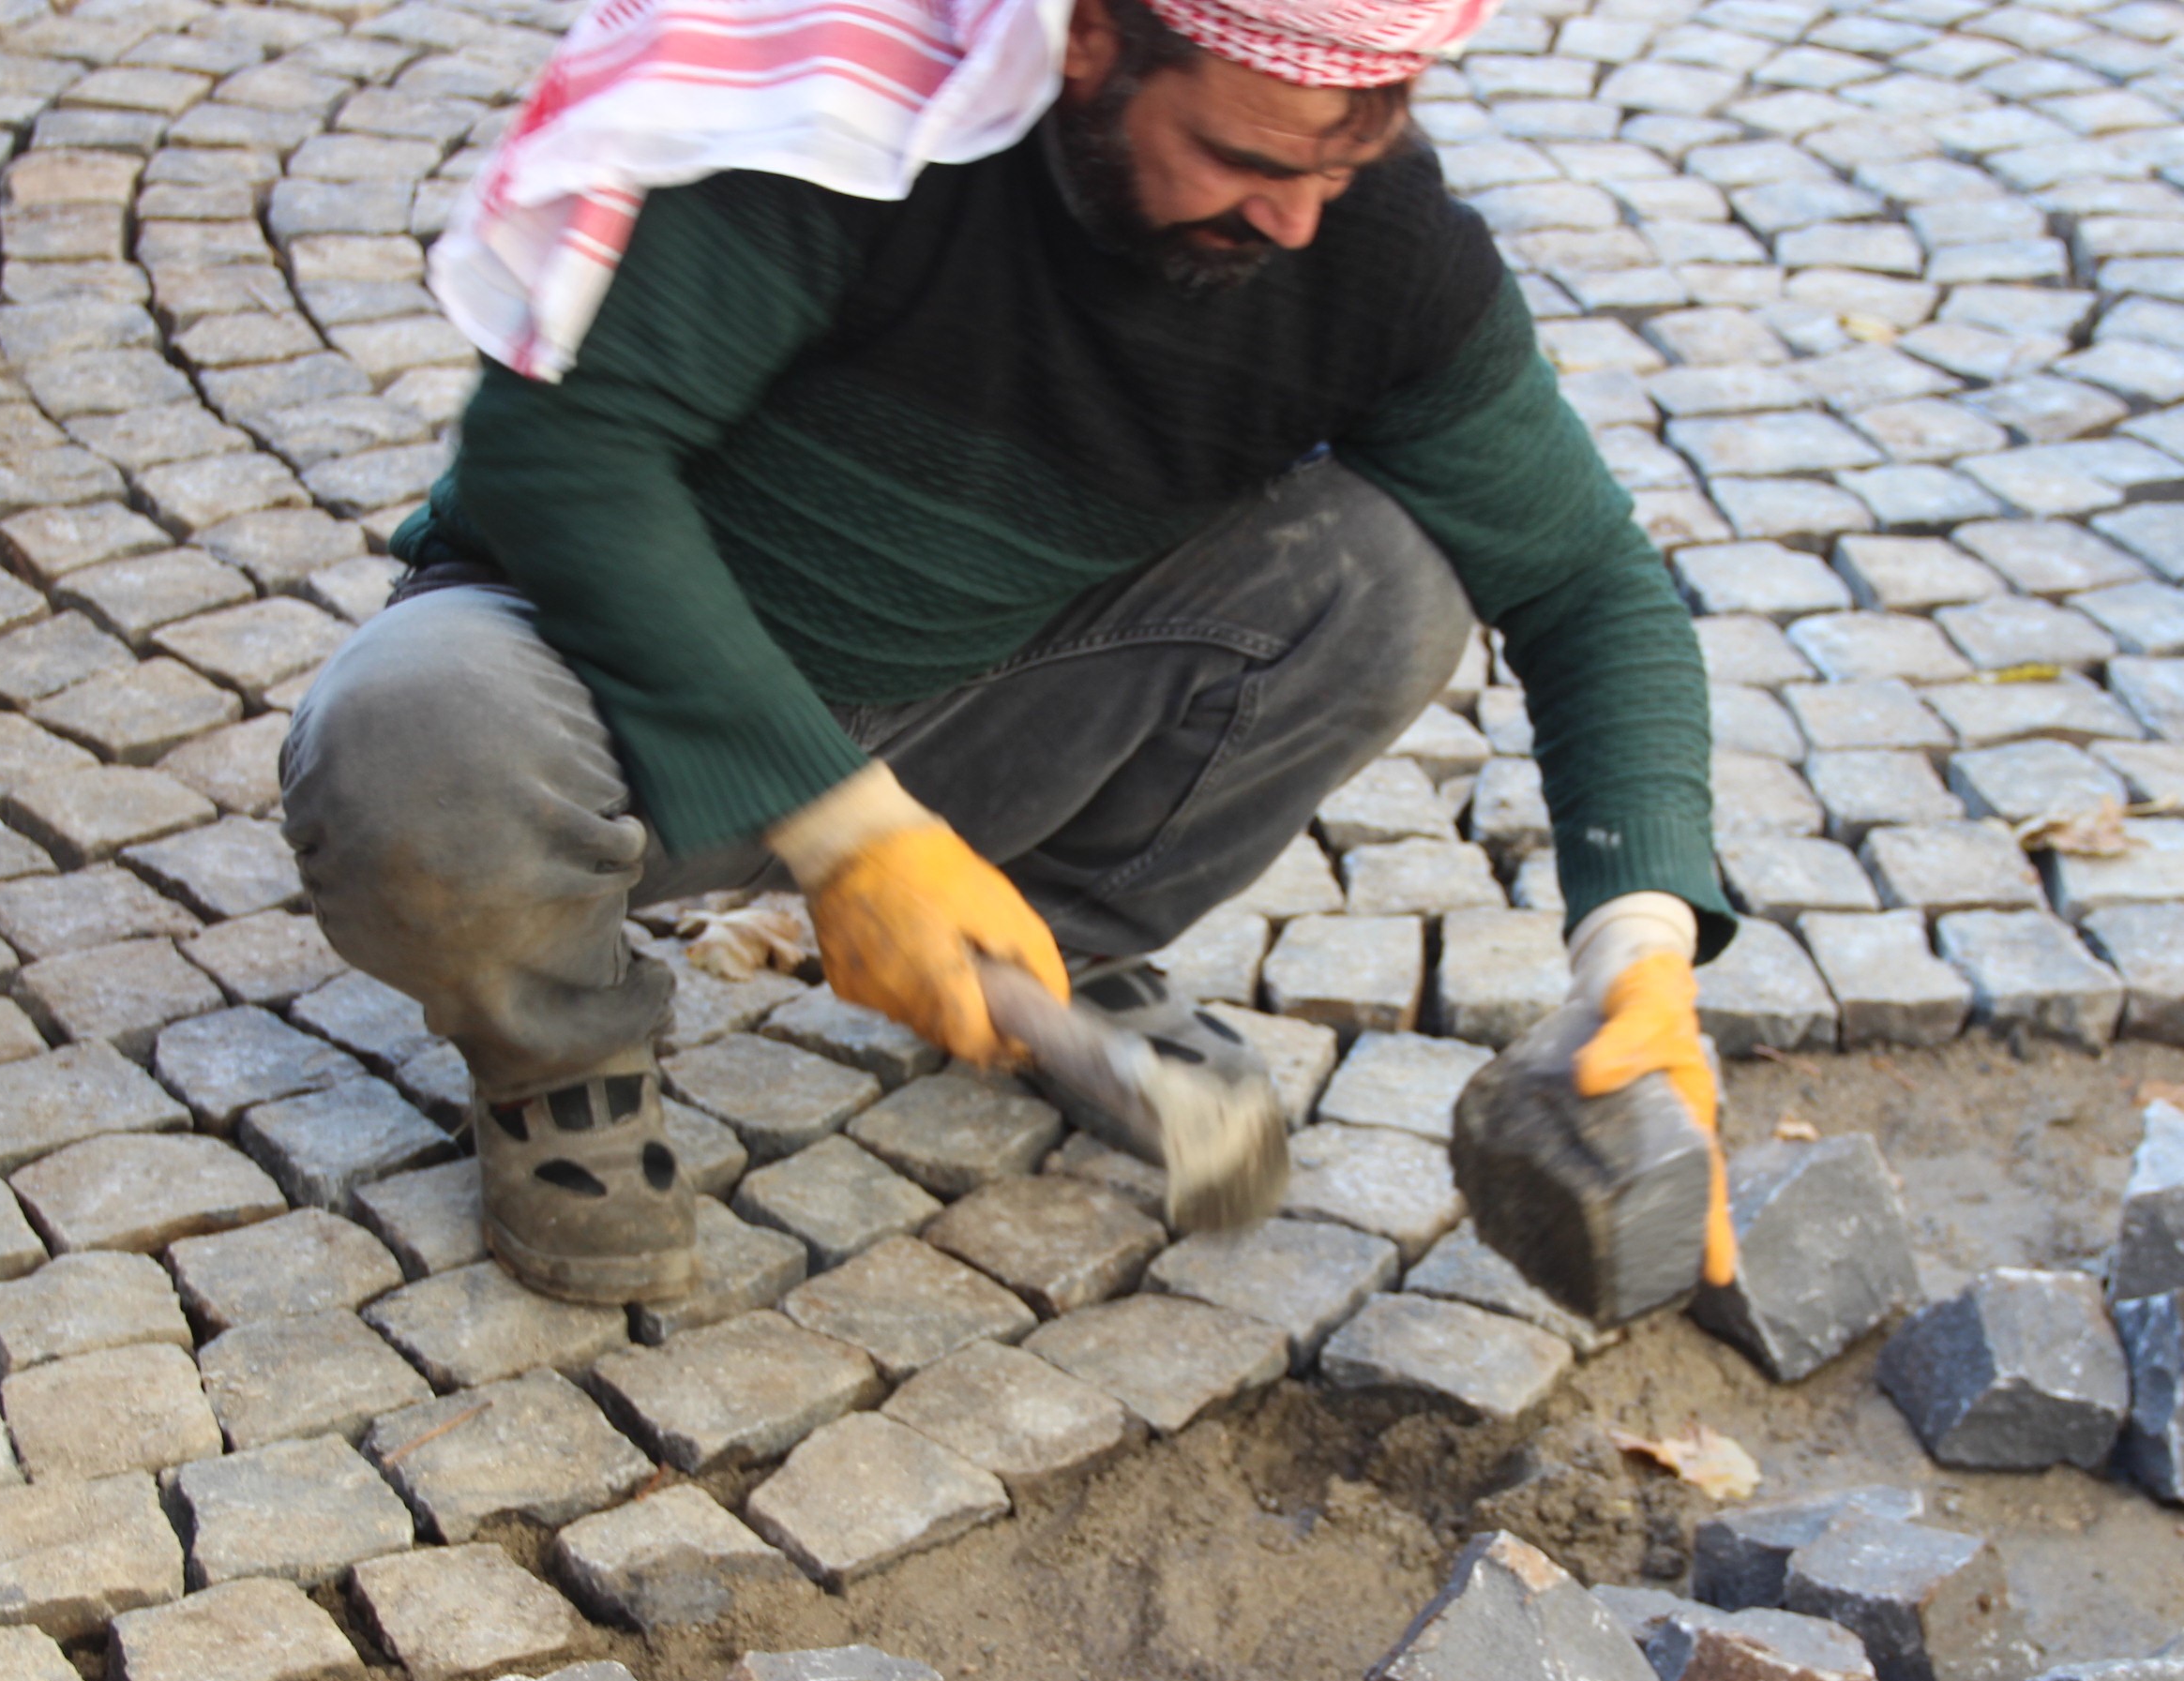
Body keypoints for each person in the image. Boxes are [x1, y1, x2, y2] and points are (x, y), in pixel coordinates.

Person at [282, 0, 1735, 1307]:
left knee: (1395, 571)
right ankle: (558, 1053)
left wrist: (1643, 948)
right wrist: (851, 836)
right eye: (1243, 157)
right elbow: (563, 465)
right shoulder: (840, 136)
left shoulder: (1372, 249)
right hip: (620, 711)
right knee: (412, 731)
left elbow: (1591, 583)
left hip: (987, 712)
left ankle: (1048, 951)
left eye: (1335, 170)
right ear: (1090, 38)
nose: (1294, 220)